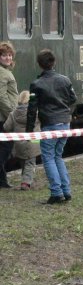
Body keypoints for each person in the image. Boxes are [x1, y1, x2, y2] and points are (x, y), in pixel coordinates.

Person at [26, 49, 77, 204]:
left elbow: (32, 109)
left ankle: (56, 192)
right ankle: (66, 191)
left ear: (39, 64)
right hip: (65, 124)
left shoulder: (36, 84)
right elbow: (73, 99)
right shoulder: (65, 80)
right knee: (58, 156)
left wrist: (29, 130)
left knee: (48, 158)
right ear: (54, 62)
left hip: (49, 125)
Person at [3, 91, 39, 190]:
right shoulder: (36, 112)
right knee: (30, 162)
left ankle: (26, 180)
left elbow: (6, 127)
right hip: (33, 141)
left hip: (19, 142)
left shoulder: (13, 113)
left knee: (24, 161)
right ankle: (26, 183)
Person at [0, 41, 19, 190]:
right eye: (4, 55)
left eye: (9, 55)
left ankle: (2, 181)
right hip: (4, 118)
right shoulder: (2, 73)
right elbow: (1, 97)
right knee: (5, 149)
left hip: (4, 116)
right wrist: (11, 115)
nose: (7, 58)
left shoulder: (5, 71)